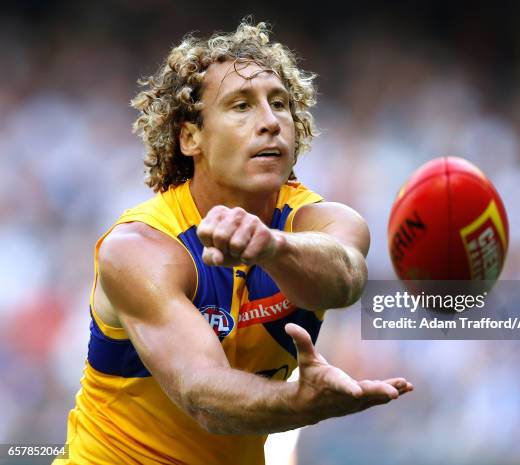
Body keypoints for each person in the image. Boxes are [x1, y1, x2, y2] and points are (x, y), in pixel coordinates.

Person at [54, 20, 412, 465]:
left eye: (279, 104)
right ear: (190, 137)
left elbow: (344, 277)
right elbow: (202, 393)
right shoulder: (140, 248)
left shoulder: (323, 221)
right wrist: (298, 404)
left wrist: (273, 248)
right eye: (241, 106)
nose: (269, 122)